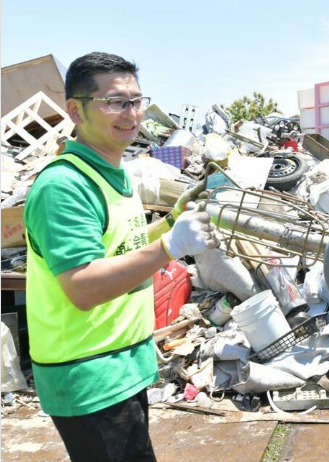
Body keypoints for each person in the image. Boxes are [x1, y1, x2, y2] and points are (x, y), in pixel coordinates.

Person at [24, 52, 218, 461]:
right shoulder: (65, 185)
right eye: (114, 102)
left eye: (136, 100)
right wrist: (168, 248)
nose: (130, 113)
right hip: (89, 375)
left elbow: (119, 248)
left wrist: (169, 225)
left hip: (122, 366)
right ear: (75, 110)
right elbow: (82, 285)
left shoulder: (115, 174)